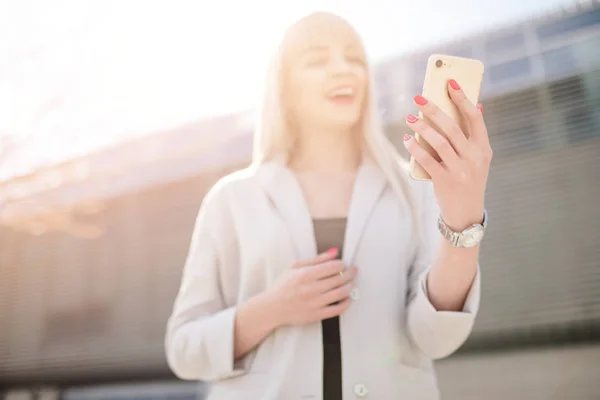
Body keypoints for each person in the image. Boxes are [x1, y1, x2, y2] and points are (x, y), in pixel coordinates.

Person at [165, 11, 491, 400]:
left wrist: (463, 219)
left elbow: (436, 338)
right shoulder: (231, 199)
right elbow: (183, 349)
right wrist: (271, 309)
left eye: (354, 57)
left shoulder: (416, 187)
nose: (343, 70)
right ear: (284, 86)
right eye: (318, 59)